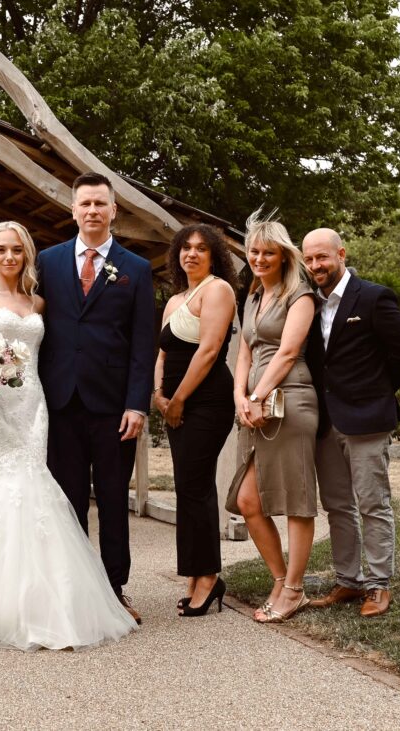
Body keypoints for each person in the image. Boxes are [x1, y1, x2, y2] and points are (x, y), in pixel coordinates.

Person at [0, 221, 137, 651]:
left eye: (17, 250)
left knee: (36, 487)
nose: (9, 257)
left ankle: (49, 598)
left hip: (33, 404)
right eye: (1, 249)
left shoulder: (38, 302)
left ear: (26, 254)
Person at [36, 172, 156, 624]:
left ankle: (114, 589)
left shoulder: (135, 269)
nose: (92, 211)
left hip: (114, 407)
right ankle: (73, 588)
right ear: (73, 210)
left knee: (112, 499)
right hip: (60, 401)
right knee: (67, 501)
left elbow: (143, 344)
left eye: (100, 204)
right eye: (84, 203)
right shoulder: (47, 262)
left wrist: (137, 404)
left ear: (113, 211)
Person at [302, 228, 400, 617]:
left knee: (372, 503)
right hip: (325, 421)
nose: (316, 265)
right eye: (309, 259)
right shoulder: (309, 303)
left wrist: (378, 391)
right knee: (337, 505)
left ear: (341, 254)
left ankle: (378, 584)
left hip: (367, 419)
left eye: (322, 257)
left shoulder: (373, 297)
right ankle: (348, 580)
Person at [225, 208, 319, 624]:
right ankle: (281, 580)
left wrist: (258, 395)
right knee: (249, 500)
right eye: (253, 252)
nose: (259, 259)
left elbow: (288, 351)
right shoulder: (252, 297)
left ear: (283, 255)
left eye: (267, 252)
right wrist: (240, 397)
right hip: (254, 403)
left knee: (297, 500)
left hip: (291, 400)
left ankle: (294, 590)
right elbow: (244, 352)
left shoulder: (300, 295)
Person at [153, 224, 237, 617]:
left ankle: (208, 577)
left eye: (201, 248)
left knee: (196, 485)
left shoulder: (218, 290)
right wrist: (158, 394)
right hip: (175, 403)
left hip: (206, 402)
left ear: (213, 255)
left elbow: (209, 350)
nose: (192, 253)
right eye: (185, 247)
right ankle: (194, 572)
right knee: (186, 487)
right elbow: (162, 354)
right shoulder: (175, 300)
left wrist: (179, 399)